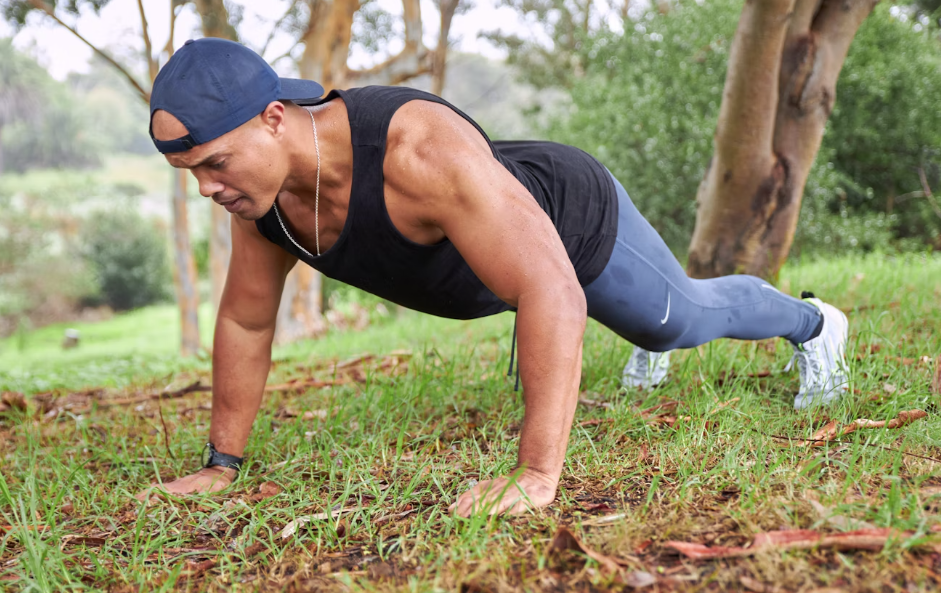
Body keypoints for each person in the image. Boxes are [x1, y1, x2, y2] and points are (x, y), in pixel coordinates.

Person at [141, 38, 850, 517]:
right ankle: (638, 338)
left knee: (678, 322)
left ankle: (813, 323)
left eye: (214, 164)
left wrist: (535, 476)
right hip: (513, 252)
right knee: (632, 325)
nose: (206, 188)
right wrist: (221, 463)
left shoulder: (415, 152)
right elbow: (245, 321)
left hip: (566, 223)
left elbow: (547, 288)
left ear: (272, 120)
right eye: (191, 172)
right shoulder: (264, 205)